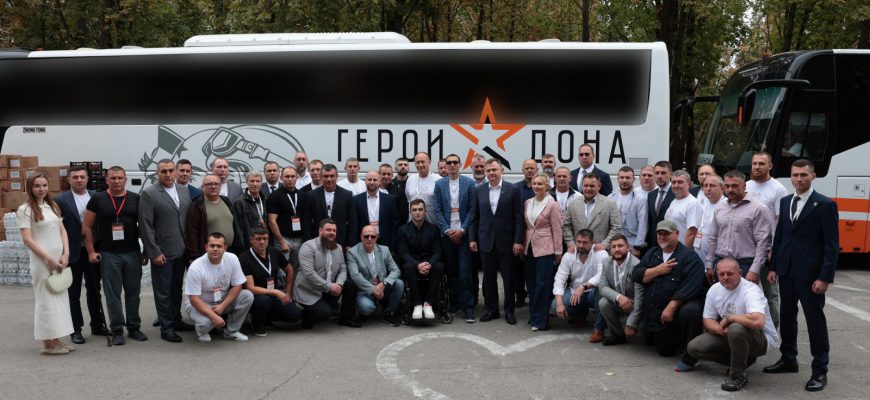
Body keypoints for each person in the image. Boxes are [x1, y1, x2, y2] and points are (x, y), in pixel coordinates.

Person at [763, 159, 838, 392]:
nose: (798, 179)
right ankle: (788, 359)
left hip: (811, 276)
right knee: (787, 317)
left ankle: (820, 370)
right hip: (786, 271)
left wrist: (824, 277)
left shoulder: (825, 205)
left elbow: (831, 246)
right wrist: (774, 267)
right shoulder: (786, 201)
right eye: (795, 175)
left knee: (815, 322)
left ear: (813, 176)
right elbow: (781, 237)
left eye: (803, 175)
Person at [686, 258, 780, 392]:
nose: (725, 277)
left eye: (730, 274)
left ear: (740, 273)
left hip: (761, 340)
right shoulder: (714, 289)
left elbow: (758, 321)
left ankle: (738, 375)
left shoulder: (751, 291)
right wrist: (720, 330)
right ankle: (744, 360)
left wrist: (731, 318)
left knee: (736, 328)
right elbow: (707, 320)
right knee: (694, 348)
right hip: (731, 334)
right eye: (721, 274)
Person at [83, 166, 147, 345]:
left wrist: (146, 251)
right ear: (106, 179)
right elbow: (87, 227)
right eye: (113, 178)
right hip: (109, 254)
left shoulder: (135, 198)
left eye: (120, 178)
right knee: (113, 295)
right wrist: (91, 251)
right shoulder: (98, 199)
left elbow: (144, 226)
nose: (117, 181)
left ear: (125, 179)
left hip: (132, 253)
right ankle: (117, 329)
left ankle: (134, 327)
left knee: (133, 293)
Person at [632, 220, 705, 370]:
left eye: (666, 234)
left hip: (675, 311)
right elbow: (637, 275)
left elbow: (691, 286)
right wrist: (657, 270)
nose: (662, 237)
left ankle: (691, 356)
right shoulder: (653, 253)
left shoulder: (690, 258)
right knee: (663, 350)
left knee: (691, 311)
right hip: (655, 312)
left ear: (677, 234)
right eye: (659, 234)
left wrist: (671, 307)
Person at [18, 173, 74, 355]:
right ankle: (47, 344)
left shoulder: (52, 206)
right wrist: (48, 259)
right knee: (46, 301)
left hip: (58, 260)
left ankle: (55, 339)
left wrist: (66, 253)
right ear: (30, 188)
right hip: (42, 262)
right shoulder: (25, 210)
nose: (41, 189)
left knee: (58, 300)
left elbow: (62, 230)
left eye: (44, 185)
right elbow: (27, 239)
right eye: (37, 186)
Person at [139, 159, 192, 343]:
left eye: (170, 170)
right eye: (163, 171)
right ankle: (166, 327)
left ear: (175, 172)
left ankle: (176, 319)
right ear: (157, 173)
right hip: (163, 252)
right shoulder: (149, 194)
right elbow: (146, 226)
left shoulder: (184, 190)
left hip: (182, 250)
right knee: (163, 292)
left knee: (177, 289)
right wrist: (154, 252)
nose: (168, 174)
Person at [469, 158, 524, 325]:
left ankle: (509, 311)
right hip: (486, 240)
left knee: (509, 279)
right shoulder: (479, 190)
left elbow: (518, 218)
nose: (491, 173)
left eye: (494, 170)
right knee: (489, 278)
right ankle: (491, 309)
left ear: (502, 171)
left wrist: (518, 241)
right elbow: (474, 217)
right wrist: (472, 238)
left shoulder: (513, 189)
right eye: (489, 170)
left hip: (507, 242)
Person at [55, 166, 105, 344]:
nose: (79, 180)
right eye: (75, 177)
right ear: (69, 179)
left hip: (93, 250)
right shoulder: (60, 200)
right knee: (73, 293)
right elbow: (56, 228)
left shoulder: (97, 196)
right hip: (72, 252)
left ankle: (97, 325)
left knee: (95, 290)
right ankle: (75, 329)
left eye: (82, 177)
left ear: (87, 178)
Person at [184, 233, 253, 343]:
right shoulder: (196, 267)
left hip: (221, 300)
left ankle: (231, 332)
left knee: (247, 296)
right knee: (206, 323)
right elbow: (194, 299)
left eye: (219, 246)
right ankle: (202, 331)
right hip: (200, 303)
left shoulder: (232, 258)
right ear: (206, 247)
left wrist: (222, 306)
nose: (215, 249)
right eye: (212, 246)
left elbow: (237, 285)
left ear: (225, 248)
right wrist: (213, 316)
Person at [705, 170, 772, 284]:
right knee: (721, 295)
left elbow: (763, 242)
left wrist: (754, 270)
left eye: (734, 186)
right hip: (721, 262)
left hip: (745, 265)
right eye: (727, 186)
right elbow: (713, 238)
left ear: (744, 185)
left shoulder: (758, 208)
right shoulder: (720, 208)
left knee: (744, 296)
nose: (730, 189)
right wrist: (710, 264)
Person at [746, 152, 787, 327]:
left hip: (768, 250)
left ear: (770, 166)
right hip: (746, 249)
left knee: (771, 294)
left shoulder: (778, 189)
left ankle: (773, 331)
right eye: (754, 163)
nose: (757, 167)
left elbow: (781, 222)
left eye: (761, 164)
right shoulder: (746, 186)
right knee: (746, 292)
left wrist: (774, 250)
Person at [432, 154, 476, 319]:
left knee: (465, 272)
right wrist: (448, 231)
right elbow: (437, 210)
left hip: (464, 235)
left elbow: (472, 209)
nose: (452, 165)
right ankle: (455, 303)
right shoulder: (440, 184)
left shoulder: (469, 183)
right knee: (451, 272)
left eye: (455, 162)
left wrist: (463, 230)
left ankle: (468, 306)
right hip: (447, 235)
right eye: (449, 163)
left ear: (460, 164)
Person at [239, 228, 301, 337]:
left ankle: (266, 317)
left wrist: (288, 293)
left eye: (265, 239)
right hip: (256, 296)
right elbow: (250, 288)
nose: (262, 242)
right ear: (251, 240)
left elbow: (290, 270)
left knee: (295, 314)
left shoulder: (274, 252)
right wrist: (276, 292)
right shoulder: (244, 258)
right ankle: (256, 322)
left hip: (273, 295)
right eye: (258, 239)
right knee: (264, 301)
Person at [523, 174, 563, 332]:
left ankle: (540, 320)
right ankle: (534, 315)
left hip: (546, 249)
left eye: (540, 184)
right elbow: (527, 226)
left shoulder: (552, 204)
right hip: (529, 248)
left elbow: (557, 229)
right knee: (531, 283)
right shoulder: (528, 202)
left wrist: (558, 251)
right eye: (534, 183)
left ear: (547, 186)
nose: (536, 186)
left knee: (543, 284)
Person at [293, 219, 350, 329]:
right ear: (320, 231)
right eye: (328, 230)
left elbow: (343, 269)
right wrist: (329, 286)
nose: (332, 232)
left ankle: (346, 319)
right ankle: (305, 315)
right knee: (324, 313)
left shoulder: (338, 248)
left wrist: (339, 284)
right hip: (309, 290)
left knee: (348, 285)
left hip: (328, 289)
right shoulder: (308, 246)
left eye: (334, 230)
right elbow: (309, 273)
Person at [551, 229, 608, 339]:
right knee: (554, 306)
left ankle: (599, 329)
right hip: (575, 292)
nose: (581, 245)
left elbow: (602, 276)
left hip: (593, 292)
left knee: (602, 290)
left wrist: (583, 287)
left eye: (585, 242)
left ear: (593, 243)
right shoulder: (569, 255)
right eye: (579, 242)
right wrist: (559, 304)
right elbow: (559, 279)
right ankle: (580, 314)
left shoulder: (601, 253)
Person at [396, 199, 445, 320]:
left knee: (439, 266)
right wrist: (418, 265)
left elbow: (438, 251)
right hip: (413, 265)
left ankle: (428, 303)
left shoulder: (434, 229)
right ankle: (417, 304)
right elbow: (403, 253)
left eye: (420, 209)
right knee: (407, 266)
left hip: (429, 263)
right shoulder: (402, 230)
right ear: (410, 212)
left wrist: (429, 264)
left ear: (425, 211)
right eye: (414, 210)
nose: (417, 212)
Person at [347, 225, 405, 326]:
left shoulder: (384, 250)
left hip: (382, 286)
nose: (369, 239)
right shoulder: (352, 252)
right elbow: (355, 276)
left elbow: (396, 270)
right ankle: (364, 310)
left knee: (399, 283)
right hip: (365, 290)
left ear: (376, 238)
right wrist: (374, 289)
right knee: (367, 308)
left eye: (373, 236)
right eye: (366, 236)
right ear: (361, 237)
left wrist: (384, 283)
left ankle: (388, 313)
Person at [596, 235, 643, 346]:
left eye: (620, 246)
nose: (617, 249)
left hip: (636, 305)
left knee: (646, 336)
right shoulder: (606, 262)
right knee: (603, 302)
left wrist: (631, 324)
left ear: (628, 247)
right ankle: (618, 335)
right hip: (620, 303)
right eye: (614, 246)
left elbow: (640, 297)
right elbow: (602, 287)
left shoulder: (637, 265)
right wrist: (619, 297)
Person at [185, 174, 243, 261]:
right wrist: (194, 256)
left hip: (229, 252)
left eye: (216, 184)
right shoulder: (197, 205)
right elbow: (192, 232)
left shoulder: (226, 201)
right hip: (208, 254)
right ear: (203, 187)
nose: (213, 186)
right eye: (209, 184)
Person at [302, 164, 357, 249]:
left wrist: (350, 244)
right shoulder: (311, 195)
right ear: (321, 177)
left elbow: (352, 221)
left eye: (332, 176)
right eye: (326, 176)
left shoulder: (347, 195)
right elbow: (307, 221)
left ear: (337, 176)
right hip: (317, 241)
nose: (329, 179)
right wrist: (308, 242)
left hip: (340, 241)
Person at [563, 174, 621, 252]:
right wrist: (571, 243)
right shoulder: (573, 204)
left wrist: (605, 244)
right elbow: (566, 226)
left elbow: (616, 227)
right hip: (578, 251)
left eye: (592, 186)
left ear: (599, 186)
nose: (588, 188)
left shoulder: (609, 204)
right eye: (585, 186)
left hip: (600, 251)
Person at [267, 166, 306, 262]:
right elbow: (272, 221)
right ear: (281, 178)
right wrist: (281, 241)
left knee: (297, 268)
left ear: (296, 178)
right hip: (283, 238)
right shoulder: (274, 196)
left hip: (299, 239)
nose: (290, 179)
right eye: (287, 176)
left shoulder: (302, 195)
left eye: (293, 176)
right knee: (283, 268)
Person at [609, 166, 648, 256]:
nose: (624, 180)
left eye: (627, 178)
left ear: (633, 179)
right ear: (618, 179)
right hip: (614, 245)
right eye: (622, 177)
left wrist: (637, 246)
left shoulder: (640, 199)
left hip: (632, 245)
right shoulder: (611, 198)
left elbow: (643, 225)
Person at [354, 170, 399, 248]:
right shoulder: (356, 200)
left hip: (384, 241)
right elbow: (354, 223)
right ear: (365, 181)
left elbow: (394, 224)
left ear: (380, 182)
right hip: (363, 241)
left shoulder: (389, 199)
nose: (372, 182)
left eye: (375, 180)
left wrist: (392, 246)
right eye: (369, 179)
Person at [694, 174, 726, 268]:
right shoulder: (703, 204)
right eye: (705, 185)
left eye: (712, 186)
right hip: (699, 253)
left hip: (716, 259)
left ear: (722, 188)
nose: (708, 189)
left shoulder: (726, 206)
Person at [664, 170, 701, 248]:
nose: (676, 185)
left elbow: (691, 234)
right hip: (671, 249)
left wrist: (684, 253)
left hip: (682, 251)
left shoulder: (692, 203)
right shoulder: (674, 201)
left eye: (680, 182)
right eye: (673, 182)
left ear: (689, 184)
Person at [232, 171, 268, 250]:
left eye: (257, 181)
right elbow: (238, 229)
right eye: (252, 181)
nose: (255, 184)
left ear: (261, 183)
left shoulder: (265, 200)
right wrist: (242, 248)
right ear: (247, 182)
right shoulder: (239, 202)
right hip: (248, 245)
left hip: (263, 243)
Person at [644, 161, 674, 253]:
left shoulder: (676, 194)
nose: (660, 176)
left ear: (671, 174)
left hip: (671, 244)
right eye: (657, 173)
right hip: (653, 245)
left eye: (663, 173)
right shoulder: (651, 195)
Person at [405, 152, 439, 224]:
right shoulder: (410, 180)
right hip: (413, 224)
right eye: (417, 162)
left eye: (422, 162)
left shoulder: (438, 180)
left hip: (433, 223)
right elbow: (408, 199)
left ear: (429, 162)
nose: (420, 165)